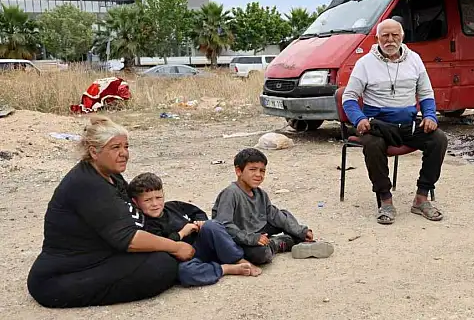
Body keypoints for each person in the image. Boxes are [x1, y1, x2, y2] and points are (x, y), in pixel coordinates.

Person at [26, 116, 194, 308]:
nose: (124, 153)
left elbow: (135, 213)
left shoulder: (111, 176)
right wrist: (174, 246)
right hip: (61, 278)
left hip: (101, 256)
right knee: (162, 265)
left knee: (167, 248)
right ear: (94, 152)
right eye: (115, 148)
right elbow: (129, 239)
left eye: (126, 146)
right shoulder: (86, 184)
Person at [342, 18, 447, 225]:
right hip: (378, 125)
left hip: (409, 124)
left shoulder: (415, 59)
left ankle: (421, 198)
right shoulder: (365, 64)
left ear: (402, 36)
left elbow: (426, 93)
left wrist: (430, 116)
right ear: (377, 38)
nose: (390, 40)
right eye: (385, 36)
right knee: (372, 144)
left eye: (394, 35)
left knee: (438, 139)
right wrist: (360, 119)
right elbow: (349, 98)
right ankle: (385, 200)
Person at [127, 172, 261, 287]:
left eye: (158, 197)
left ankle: (239, 260)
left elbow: (197, 212)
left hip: (203, 245)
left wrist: (200, 223)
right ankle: (226, 269)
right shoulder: (145, 224)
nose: (155, 204)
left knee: (212, 225)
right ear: (135, 202)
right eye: (148, 200)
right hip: (186, 259)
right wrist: (181, 233)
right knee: (185, 273)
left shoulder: (174, 206)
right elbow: (159, 244)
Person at [212, 148, 334, 265]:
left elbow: (274, 215)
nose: (258, 175)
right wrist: (252, 238)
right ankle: (280, 243)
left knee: (283, 216)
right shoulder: (231, 193)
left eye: (262, 171)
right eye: (253, 169)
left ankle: (297, 238)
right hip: (239, 239)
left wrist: (300, 231)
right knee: (260, 254)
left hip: (258, 231)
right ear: (239, 171)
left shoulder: (260, 194)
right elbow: (224, 226)